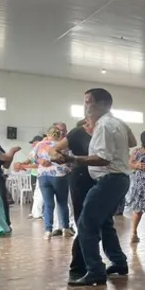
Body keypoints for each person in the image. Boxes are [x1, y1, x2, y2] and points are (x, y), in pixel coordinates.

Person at [59, 88, 137, 286]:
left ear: (102, 104)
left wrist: (73, 159)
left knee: (86, 225)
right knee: (104, 223)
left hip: (109, 180)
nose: (86, 106)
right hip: (118, 179)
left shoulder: (103, 126)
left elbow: (102, 159)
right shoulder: (116, 123)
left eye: (89, 102)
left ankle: (95, 271)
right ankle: (119, 263)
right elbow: (131, 142)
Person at [55, 119, 94, 279]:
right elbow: (54, 149)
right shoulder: (77, 132)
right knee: (84, 222)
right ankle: (79, 265)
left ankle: (93, 262)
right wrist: (57, 155)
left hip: (100, 179)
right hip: (80, 177)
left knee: (99, 223)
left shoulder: (105, 132)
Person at [31, 125, 73, 239]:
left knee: (48, 204)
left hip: (43, 176)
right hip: (59, 176)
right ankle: (65, 228)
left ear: (48, 133)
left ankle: (48, 231)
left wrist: (42, 161)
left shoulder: (40, 144)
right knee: (62, 203)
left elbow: (34, 158)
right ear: (59, 134)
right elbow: (69, 161)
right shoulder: (62, 146)